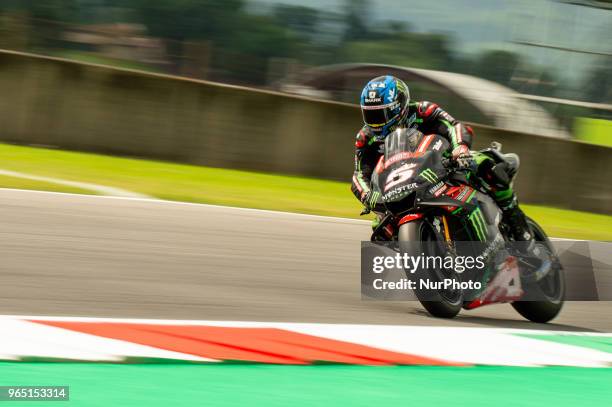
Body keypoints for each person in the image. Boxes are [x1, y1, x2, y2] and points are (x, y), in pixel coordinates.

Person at [351, 75, 532, 242]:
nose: (375, 123)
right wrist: (368, 195)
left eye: (380, 115)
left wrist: (460, 148)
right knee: (380, 229)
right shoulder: (365, 138)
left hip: (444, 167)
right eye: (370, 115)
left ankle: (514, 219)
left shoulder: (424, 110)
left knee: (487, 165)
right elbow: (359, 175)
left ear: (400, 106)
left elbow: (454, 126)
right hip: (400, 187)